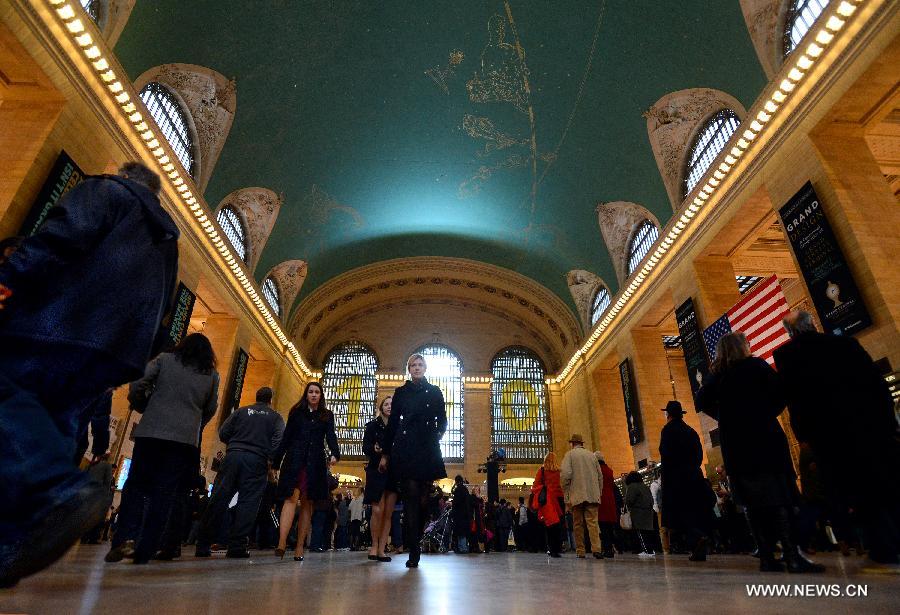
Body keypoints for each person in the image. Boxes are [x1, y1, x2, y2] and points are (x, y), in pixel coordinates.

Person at [0, 162, 179, 585]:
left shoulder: (105, 191)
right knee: (54, 422)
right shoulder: (168, 238)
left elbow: (59, 239)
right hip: (116, 350)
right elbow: (165, 312)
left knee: (8, 393)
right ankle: (12, 543)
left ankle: (60, 488)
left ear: (120, 173)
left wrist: (9, 276)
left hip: (61, 325)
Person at [774, 311, 900, 565]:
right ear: (812, 324)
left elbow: (793, 401)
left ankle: (881, 546)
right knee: (884, 482)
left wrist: (803, 436)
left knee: (854, 488)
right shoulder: (845, 343)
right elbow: (876, 384)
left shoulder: (787, 356)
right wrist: (890, 422)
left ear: (790, 332)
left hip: (827, 434)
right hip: (867, 425)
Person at [696, 331, 823, 573]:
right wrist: (764, 411)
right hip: (764, 441)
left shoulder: (717, 375)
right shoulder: (755, 365)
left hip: (737, 447)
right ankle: (791, 554)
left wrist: (725, 416)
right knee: (780, 499)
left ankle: (766, 556)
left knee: (752, 504)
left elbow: (701, 399)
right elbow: (780, 393)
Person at [105, 333, 219, 564]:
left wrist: (143, 405)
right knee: (164, 493)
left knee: (136, 484)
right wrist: (194, 423)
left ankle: (125, 538)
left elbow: (139, 383)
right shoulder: (211, 375)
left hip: (151, 432)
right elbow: (211, 408)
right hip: (183, 441)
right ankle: (146, 549)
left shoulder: (165, 360)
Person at [195, 387, 285, 558]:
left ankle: (203, 544)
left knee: (219, 499)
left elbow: (223, 433)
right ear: (270, 400)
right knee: (248, 503)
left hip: (233, 456)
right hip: (257, 461)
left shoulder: (240, 412)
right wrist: (269, 458)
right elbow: (278, 440)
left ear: (256, 397)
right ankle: (237, 546)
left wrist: (236, 444)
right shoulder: (276, 418)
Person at [379, 353, 448, 568]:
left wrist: (437, 435)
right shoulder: (401, 393)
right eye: (413, 365)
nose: (416, 368)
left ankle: (416, 537)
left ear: (425, 368)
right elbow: (392, 426)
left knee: (423, 502)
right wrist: (385, 453)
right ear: (408, 369)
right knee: (410, 497)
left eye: (420, 365)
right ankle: (414, 551)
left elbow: (443, 419)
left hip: (427, 447)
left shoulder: (435, 392)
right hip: (406, 447)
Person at [273, 382, 340, 561]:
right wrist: (276, 461)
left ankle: (300, 546)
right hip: (294, 460)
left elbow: (331, 435)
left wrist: (335, 453)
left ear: (321, 395)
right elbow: (287, 437)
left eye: (317, 392)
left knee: (307, 503)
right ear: (306, 394)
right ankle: (281, 542)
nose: (313, 395)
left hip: (315, 463)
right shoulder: (296, 413)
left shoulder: (327, 415)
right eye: (310, 392)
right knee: (291, 498)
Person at [658, 400, 714, 562]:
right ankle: (699, 544)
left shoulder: (667, 430)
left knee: (680, 514)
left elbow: (665, 452)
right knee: (693, 511)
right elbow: (698, 455)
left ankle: (697, 538)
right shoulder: (691, 430)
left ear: (668, 414)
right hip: (693, 477)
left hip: (676, 479)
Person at [362, 396, 399, 562]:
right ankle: (374, 545)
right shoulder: (372, 426)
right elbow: (365, 446)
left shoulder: (398, 427)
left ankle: (382, 549)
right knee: (377, 510)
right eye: (386, 404)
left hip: (393, 470)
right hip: (376, 469)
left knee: (388, 513)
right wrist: (374, 448)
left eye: (392, 404)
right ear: (381, 406)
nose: (389, 406)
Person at [560, 433, 604, 559]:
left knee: (577, 524)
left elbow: (565, 475)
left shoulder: (569, 455)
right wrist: (598, 492)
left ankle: (580, 550)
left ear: (572, 443)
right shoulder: (592, 455)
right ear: (582, 443)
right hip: (592, 494)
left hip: (577, 495)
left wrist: (566, 491)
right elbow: (600, 476)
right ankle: (596, 549)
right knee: (593, 523)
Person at [531, 452, 566, 557]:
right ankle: (558, 548)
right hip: (559, 499)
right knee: (559, 524)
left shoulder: (541, 471)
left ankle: (552, 549)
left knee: (549, 524)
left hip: (548, 501)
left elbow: (535, 485)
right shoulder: (560, 472)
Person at [624, 471, 656, 557]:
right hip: (648, 512)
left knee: (641, 533)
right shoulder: (645, 486)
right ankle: (651, 550)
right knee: (648, 532)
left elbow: (629, 500)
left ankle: (646, 551)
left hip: (638, 513)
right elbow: (651, 500)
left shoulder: (632, 487)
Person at [595, 452, 618, 558]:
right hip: (610, 500)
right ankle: (612, 548)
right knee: (609, 527)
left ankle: (607, 549)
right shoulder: (609, 470)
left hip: (602, 499)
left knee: (603, 527)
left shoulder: (597, 470)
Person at [649, 470, 668, 554]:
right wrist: (656, 509)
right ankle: (665, 547)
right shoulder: (654, 484)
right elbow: (653, 498)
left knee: (668, 529)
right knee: (662, 529)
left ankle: (669, 546)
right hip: (660, 510)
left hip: (667, 509)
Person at [452, 475, 471, 553]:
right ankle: (464, 547)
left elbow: (456, 502)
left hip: (459, 515)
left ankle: (462, 548)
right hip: (466, 514)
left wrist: (452, 504)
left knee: (460, 532)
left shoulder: (458, 490)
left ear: (456, 481)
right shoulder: (465, 489)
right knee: (464, 532)